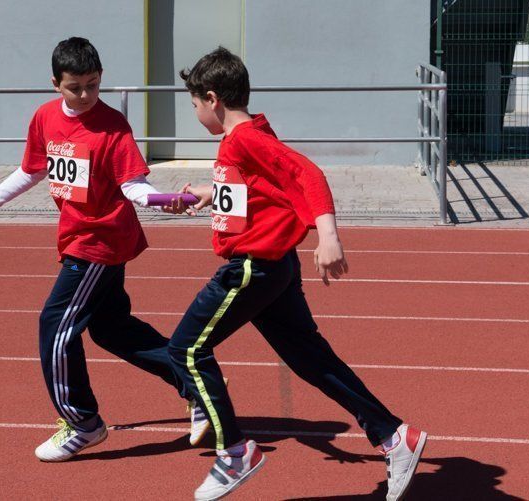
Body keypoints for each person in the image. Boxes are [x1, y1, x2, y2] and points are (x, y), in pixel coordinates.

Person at [167, 47, 426, 501]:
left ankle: (234, 452)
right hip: (276, 267)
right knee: (312, 360)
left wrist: (328, 236)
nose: (195, 114)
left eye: (193, 105)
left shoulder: (243, 138)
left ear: (212, 99)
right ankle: (393, 436)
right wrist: (213, 192)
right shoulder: (250, 135)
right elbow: (262, 186)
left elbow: (308, 174)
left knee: (186, 350)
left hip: (252, 268)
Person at [0, 36, 211, 462]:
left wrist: (171, 201)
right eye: (75, 87)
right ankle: (200, 387)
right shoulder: (44, 118)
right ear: (55, 83)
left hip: (99, 241)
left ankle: (83, 423)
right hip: (78, 235)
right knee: (113, 330)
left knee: (54, 328)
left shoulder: (112, 127)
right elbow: (31, 170)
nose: (85, 95)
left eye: (93, 85)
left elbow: (134, 186)